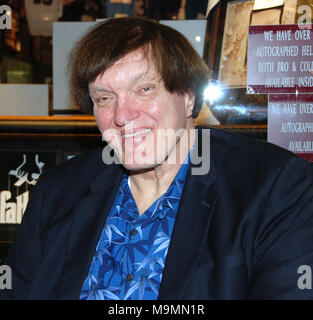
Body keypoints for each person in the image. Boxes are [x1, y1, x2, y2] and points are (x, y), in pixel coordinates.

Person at [1, 17, 313, 300]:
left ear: (188, 97)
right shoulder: (59, 190)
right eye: (105, 98)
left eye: (145, 89)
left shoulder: (276, 188)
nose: (122, 116)